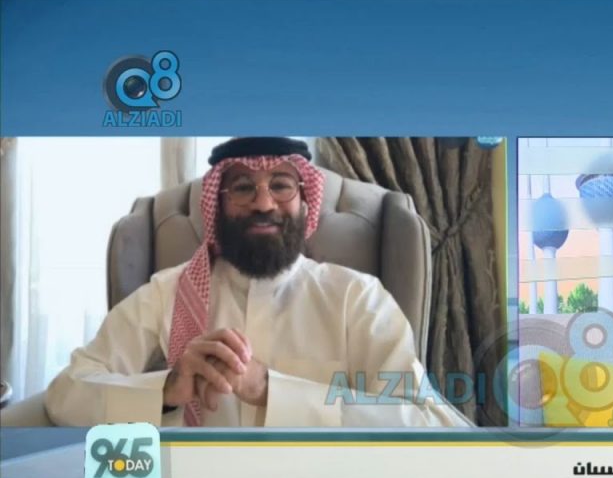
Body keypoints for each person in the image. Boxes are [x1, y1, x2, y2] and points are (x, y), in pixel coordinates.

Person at [45, 137, 472, 427]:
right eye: (243, 188)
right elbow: (67, 392)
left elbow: (427, 423)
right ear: (217, 204)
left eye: (281, 186)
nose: (263, 203)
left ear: (306, 202)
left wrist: (273, 391)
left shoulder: (356, 298)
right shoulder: (168, 292)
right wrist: (165, 390)